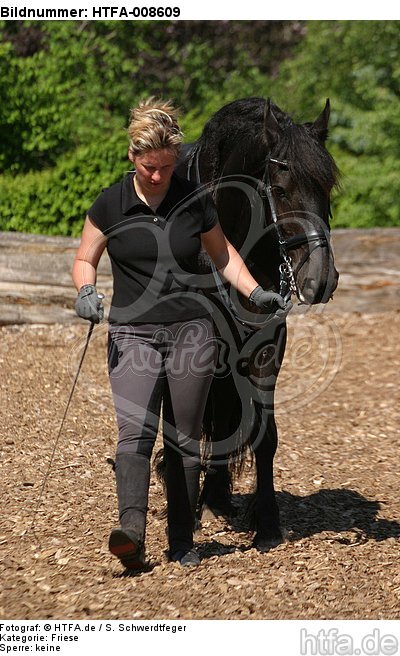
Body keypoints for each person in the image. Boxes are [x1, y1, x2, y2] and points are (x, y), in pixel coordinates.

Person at [72, 97, 288, 570]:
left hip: (192, 332)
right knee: (135, 432)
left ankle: (182, 541)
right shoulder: (110, 202)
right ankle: (131, 532)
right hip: (133, 332)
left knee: (186, 436)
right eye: (151, 167)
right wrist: (85, 290)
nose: (158, 176)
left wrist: (257, 292)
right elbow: (85, 256)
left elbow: (225, 255)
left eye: (167, 167)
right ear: (133, 157)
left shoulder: (193, 198)